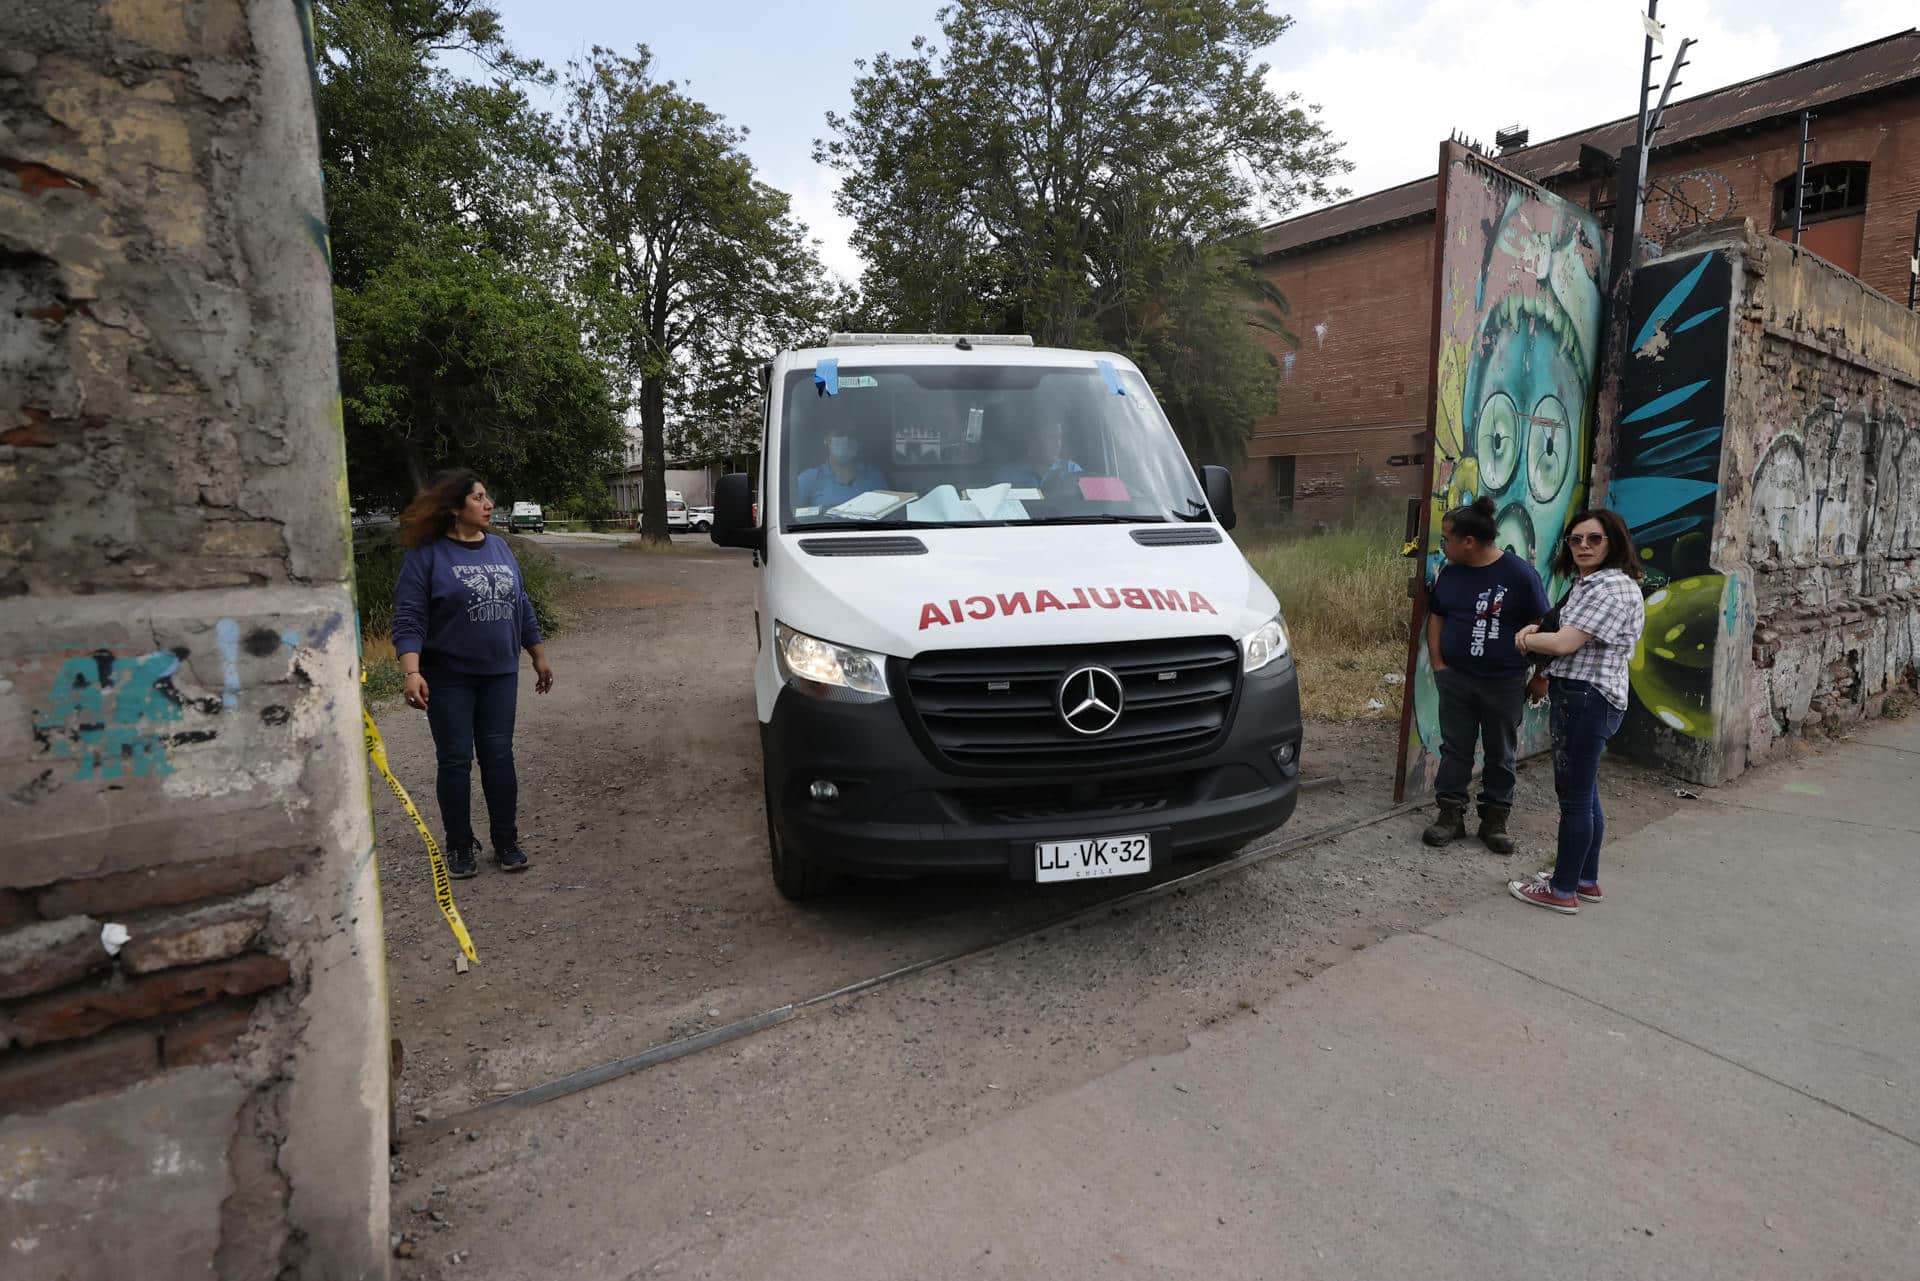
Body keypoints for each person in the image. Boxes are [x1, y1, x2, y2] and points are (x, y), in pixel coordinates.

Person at [391, 469, 554, 878]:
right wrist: (411, 671)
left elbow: (521, 603)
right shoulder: (426, 555)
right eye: (478, 498)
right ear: (453, 507)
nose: (488, 505)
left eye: (486, 497)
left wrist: (537, 653)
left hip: (499, 673)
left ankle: (506, 840)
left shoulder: (499, 548)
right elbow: (409, 618)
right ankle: (460, 844)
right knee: (455, 761)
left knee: (499, 757)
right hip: (448, 677)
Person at [1508, 508, 1647, 914]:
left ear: (1614, 542)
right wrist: (1540, 632)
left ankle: (1563, 889)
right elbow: (1564, 630)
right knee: (1586, 796)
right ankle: (1584, 879)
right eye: (1576, 539)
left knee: (1574, 800)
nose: (1583, 546)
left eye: (1594, 539)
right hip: (1586, 697)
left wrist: (1527, 640)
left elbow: (1566, 643)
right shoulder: (1592, 584)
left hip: (1587, 700)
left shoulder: (1610, 589)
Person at [1421, 496, 1551, 853]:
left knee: (1500, 752)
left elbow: (1543, 625)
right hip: (1457, 679)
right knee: (1455, 750)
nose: (1442, 545)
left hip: (1504, 682)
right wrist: (1438, 664)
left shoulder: (1520, 576)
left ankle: (1495, 821)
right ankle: (1450, 816)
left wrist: (1542, 674)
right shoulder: (1452, 573)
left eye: (1447, 538)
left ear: (1469, 542)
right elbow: (1437, 616)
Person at [795, 427, 889, 509]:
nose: (846, 439)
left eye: (851, 435)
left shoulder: (874, 477)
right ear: (826, 439)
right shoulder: (808, 479)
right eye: (839, 434)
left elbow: (888, 513)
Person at [995, 419, 1083, 489]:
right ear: (1034, 441)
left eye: (1059, 437)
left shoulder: (1072, 470)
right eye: (1050, 437)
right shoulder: (1008, 475)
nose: (1057, 443)